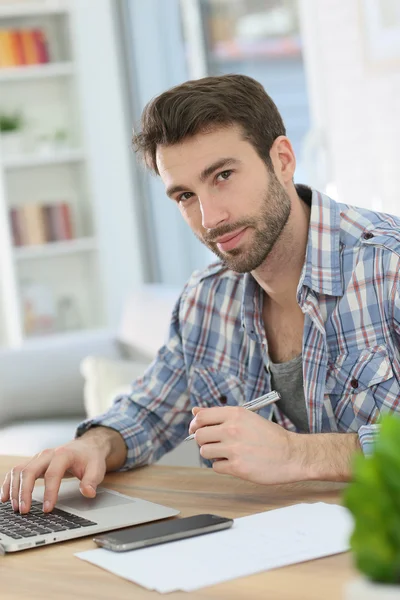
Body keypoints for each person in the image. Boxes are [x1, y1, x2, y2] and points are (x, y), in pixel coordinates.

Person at [2, 74, 400, 516]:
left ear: (283, 160)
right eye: (186, 195)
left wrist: (295, 454)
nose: (210, 218)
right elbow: (148, 413)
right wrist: (93, 445)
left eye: (223, 176)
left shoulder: (389, 264)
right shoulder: (205, 300)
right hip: (274, 547)